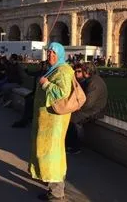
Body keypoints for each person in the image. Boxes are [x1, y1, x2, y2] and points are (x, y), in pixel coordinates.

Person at [29, 42, 74, 201]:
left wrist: (46, 83)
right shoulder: (54, 69)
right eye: (48, 53)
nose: (50, 56)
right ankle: (54, 187)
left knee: (51, 154)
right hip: (47, 120)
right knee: (46, 153)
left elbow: (62, 93)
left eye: (53, 53)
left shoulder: (63, 71)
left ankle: (57, 193)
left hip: (55, 121)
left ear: (60, 54)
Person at [65, 62, 108, 154]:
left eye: (82, 70)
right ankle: (70, 144)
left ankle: (75, 146)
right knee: (71, 116)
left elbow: (88, 102)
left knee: (74, 119)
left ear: (86, 71)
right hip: (93, 108)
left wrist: (77, 108)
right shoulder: (92, 80)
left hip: (95, 111)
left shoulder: (93, 83)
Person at [11, 61, 48, 128]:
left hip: (41, 95)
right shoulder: (38, 72)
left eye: (41, 65)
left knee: (30, 101)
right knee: (28, 98)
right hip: (35, 92)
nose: (39, 66)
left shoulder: (46, 73)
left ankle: (26, 120)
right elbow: (29, 73)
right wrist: (25, 69)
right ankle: (27, 118)